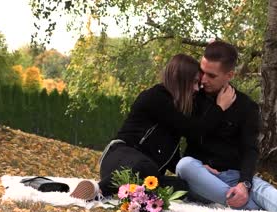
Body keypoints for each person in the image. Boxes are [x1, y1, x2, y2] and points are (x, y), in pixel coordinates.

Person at [176, 41, 277, 212]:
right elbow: (192, 133)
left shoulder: (247, 106)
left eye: (211, 75)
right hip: (200, 176)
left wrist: (244, 183)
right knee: (184, 165)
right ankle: (254, 207)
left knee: (261, 188)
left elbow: (250, 149)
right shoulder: (194, 97)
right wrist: (219, 109)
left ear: (229, 75)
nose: (203, 80)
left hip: (233, 176)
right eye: (202, 72)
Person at [70, 54, 236, 200]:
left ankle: (132, 193)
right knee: (146, 167)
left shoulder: (176, 109)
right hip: (120, 158)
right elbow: (193, 130)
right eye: (193, 83)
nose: (195, 89)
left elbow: (171, 158)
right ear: (181, 80)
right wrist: (219, 108)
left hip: (148, 173)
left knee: (183, 186)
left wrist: (199, 168)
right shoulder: (157, 97)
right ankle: (97, 189)